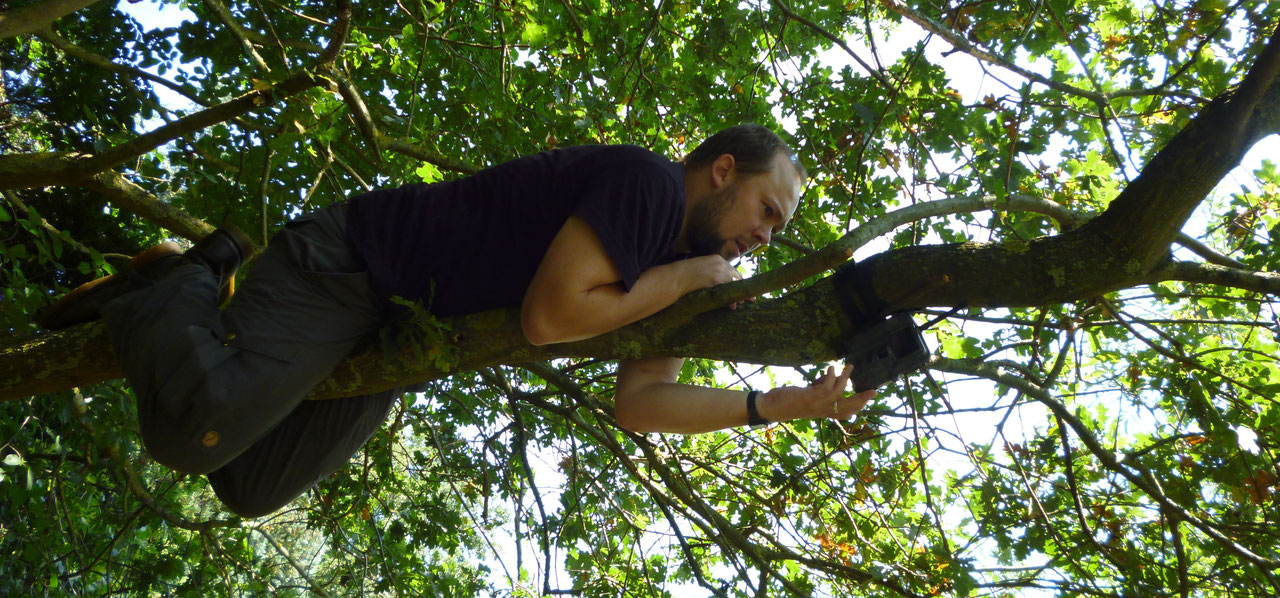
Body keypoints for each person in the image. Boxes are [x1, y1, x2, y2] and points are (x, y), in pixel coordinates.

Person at [40, 124, 875, 517]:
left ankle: (179, 310)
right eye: (767, 209)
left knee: (251, 486)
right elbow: (552, 318)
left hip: (395, 341)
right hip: (353, 269)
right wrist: (696, 272)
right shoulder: (648, 186)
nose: (765, 237)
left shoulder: (661, 274)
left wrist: (780, 405)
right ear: (722, 171)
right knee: (194, 430)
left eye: (778, 231)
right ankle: (186, 277)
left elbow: (641, 407)